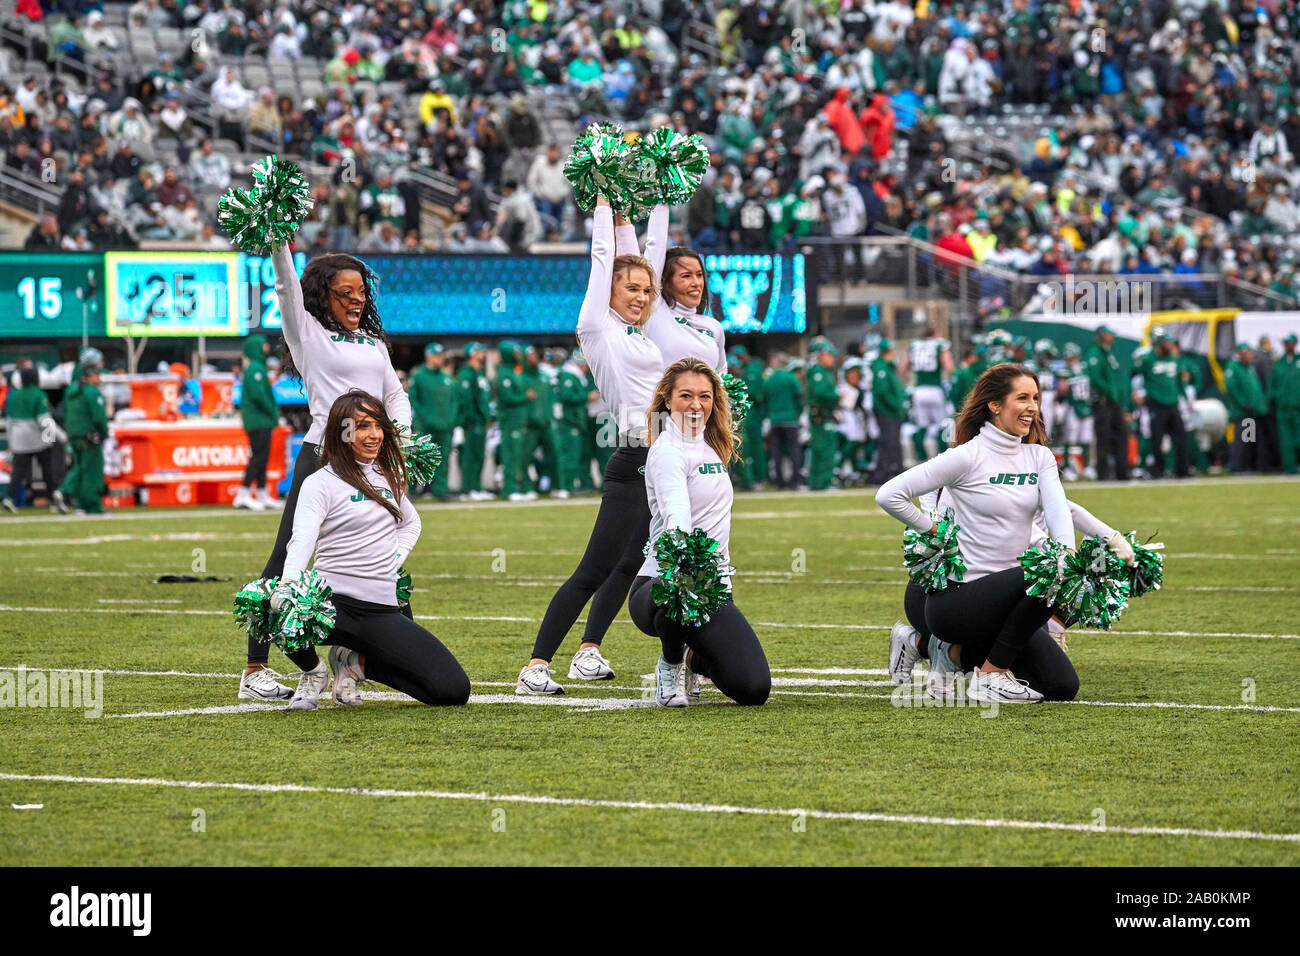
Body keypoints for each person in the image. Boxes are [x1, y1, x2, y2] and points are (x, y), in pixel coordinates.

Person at [240, 238, 413, 702]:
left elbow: (394, 395)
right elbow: (284, 286)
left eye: (362, 292)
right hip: (322, 455)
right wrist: (277, 238)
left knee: (379, 556)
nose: (357, 299)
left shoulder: (374, 343)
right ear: (323, 294)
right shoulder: (308, 331)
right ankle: (256, 668)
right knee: (287, 556)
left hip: (371, 459)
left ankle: (363, 661)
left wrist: (402, 435)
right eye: (346, 292)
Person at [516, 195, 662, 695]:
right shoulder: (598, 327)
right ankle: (535, 666)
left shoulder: (639, 336)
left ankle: (589, 651)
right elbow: (606, 261)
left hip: (663, 456)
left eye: (647, 289)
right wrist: (602, 201)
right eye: (632, 289)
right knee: (594, 568)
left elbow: (625, 259)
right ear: (608, 294)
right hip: (636, 457)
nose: (641, 296)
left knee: (631, 561)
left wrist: (625, 219)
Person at [876, 363, 1089, 703]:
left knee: (1061, 686)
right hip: (958, 601)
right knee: (1050, 571)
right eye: (1022, 398)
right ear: (994, 405)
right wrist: (932, 529)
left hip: (1005, 601)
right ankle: (989, 675)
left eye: (1036, 397)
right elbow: (889, 494)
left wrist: (1068, 552)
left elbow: (1059, 509)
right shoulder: (967, 456)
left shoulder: (1040, 457)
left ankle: (930, 648)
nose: (1032, 406)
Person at [278, 390, 470, 711]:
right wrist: (289, 585)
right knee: (270, 610)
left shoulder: (387, 476)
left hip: (379, 611)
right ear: (344, 431)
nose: (375, 435)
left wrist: (391, 562)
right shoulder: (320, 482)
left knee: (452, 690)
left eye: (379, 425)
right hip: (331, 605)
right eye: (363, 426)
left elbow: (412, 523)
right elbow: (303, 537)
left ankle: (356, 664)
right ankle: (313, 672)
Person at [629, 357, 770, 706]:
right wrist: (689, 566)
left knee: (753, 689)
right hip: (663, 586)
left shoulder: (709, 444)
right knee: (681, 585)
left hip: (714, 585)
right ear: (667, 400)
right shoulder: (667, 452)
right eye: (686, 396)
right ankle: (670, 663)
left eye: (705, 396)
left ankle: (693, 658)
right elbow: (678, 521)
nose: (696, 405)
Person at [889, 493, 1136, 686]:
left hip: (1000, 591)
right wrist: (1084, 550)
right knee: (1055, 575)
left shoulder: (1026, 466)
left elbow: (1063, 506)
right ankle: (926, 645)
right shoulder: (967, 467)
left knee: (1057, 683)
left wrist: (1111, 541)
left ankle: (1049, 628)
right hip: (943, 594)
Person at [620, 204, 727, 372]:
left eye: (699, 275)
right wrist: (663, 195)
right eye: (686, 276)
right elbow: (656, 245)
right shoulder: (655, 312)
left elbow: (722, 381)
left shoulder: (714, 327)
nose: (696, 283)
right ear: (664, 282)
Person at [2, 366, 64, 512]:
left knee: (18, 472)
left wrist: (11, 441)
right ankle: (55, 498)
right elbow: (44, 420)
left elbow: (9, 421)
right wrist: (59, 437)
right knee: (48, 470)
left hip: (18, 439)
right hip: (37, 439)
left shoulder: (13, 395)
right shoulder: (38, 394)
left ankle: (8, 498)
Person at [56, 349, 108, 515]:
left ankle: (80, 503)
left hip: (74, 434)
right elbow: (99, 417)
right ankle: (81, 500)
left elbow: (65, 411)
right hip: (89, 435)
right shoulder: (91, 392)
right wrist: (103, 434)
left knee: (79, 468)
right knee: (90, 471)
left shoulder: (72, 389)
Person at [1131, 332, 1190, 479]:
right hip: (1156, 404)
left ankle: (1183, 470)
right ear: (1159, 343)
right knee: (1156, 441)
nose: (1170, 346)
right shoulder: (1147, 359)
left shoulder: (1174, 359)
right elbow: (1135, 377)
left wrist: (1186, 398)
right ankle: (1158, 471)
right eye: (1167, 343)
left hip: (1173, 404)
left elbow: (1179, 381)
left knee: (1181, 438)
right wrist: (1136, 393)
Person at [234, 334, 281, 512]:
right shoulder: (255, 369)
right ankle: (243, 494)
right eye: (263, 345)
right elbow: (258, 395)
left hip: (260, 420)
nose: (267, 347)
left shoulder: (257, 367)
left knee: (263, 457)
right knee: (258, 457)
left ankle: (261, 494)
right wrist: (272, 410)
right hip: (258, 420)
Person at [407, 343, 458, 500]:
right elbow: (414, 400)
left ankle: (441, 491)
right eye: (436, 355)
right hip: (425, 425)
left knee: (442, 459)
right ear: (428, 356)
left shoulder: (446, 378)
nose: (440, 359)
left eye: (441, 356)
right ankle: (412, 492)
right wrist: (427, 418)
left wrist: (450, 420)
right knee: (418, 457)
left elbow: (454, 401)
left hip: (445, 426)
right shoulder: (419, 376)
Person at [1086, 325, 1130, 480]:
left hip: (1115, 402)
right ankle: (1103, 474)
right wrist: (1109, 392)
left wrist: (1118, 396)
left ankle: (1122, 472)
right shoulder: (1095, 353)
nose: (1112, 338)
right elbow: (1095, 378)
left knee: (1121, 435)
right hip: (1104, 402)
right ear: (1102, 335)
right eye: (1109, 335)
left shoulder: (1109, 353)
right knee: (1103, 438)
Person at [907, 325, 954, 462]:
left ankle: (920, 459)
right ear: (934, 334)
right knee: (944, 424)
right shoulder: (939, 344)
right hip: (935, 389)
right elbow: (948, 366)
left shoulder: (915, 344)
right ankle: (945, 459)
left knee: (921, 426)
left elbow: (904, 367)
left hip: (919, 390)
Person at [456, 342, 493, 500]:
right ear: (472, 353)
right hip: (472, 421)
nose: (482, 354)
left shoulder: (479, 372)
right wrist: (471, 418)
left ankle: (476, 487)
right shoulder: (466, 373)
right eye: (479, 351)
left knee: (479, 455)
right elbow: (466, 399)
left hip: (480, 420)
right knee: (470, 455)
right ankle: (468, 488)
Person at [1225, 342, 1267, 473]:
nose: (1250, 355)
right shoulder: (1233, 367)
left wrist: (1259, 406)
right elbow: (1232, 389)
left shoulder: (1249, 367)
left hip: (1252, 410)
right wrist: (1243, 403)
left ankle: (1247, 465)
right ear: (1241, 354)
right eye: (1247, 353)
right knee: (1242, 440)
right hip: (1241, 411)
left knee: (1249, 439)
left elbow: (1255, 389)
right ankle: (1237, 466)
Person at [764, 353, 804, 488]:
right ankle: (795, 481)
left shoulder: (769, 380)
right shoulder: (791, 378)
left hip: (774, 420)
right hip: (791, 419)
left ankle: (779, 482)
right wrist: (797, 414)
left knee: (777, 453)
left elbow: (765, 399)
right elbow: (799, 398)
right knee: (794, 451)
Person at [806, 339, 841, 490]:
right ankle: (823, 482)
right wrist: (837, 397)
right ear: (821, 355)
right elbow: (820, 393)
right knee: (825, 449)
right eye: (829, 355)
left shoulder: (822, 372)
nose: (832, 358)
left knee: (820, 449)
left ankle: (816, 482)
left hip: (823, 414)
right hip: (821, 415)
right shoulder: (819, 372)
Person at [870, 338, 906, 483]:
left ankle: (895, 471)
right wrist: (896, 407)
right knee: (888, 443)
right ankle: (883, 474)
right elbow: (883, 392)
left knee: (892, 442)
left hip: (891, 411)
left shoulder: (888, 367)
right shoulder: (881, 368)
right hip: (887, 411)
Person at [1059, 343, 1095, 479]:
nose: (1070, 359)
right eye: (1068, 357)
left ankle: (1088, 467)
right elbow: (1062, 390)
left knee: (1086, 438)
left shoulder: (1086, 368)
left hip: (1086, 405)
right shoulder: (1065, 372)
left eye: (1072, 356)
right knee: (1070, 438)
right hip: (1073, 407)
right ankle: (1067, 467)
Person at [1270, 334, 1300, 475]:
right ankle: (1290, 469)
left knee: (1298, 439)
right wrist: (1277, 397)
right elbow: (1272, 385)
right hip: (1283, 409)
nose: (1289, 346)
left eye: (1291, 343)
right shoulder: (1279, 363)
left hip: (1298, 408)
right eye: (1286, 343)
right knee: (1286, 441)